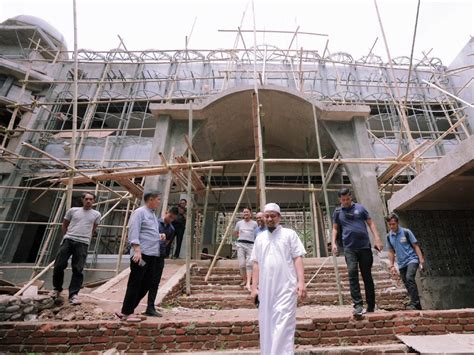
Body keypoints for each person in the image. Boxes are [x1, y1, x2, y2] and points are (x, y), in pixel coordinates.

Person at [251, 203, 306, 355]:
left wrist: (301, 283)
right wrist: (254, 287)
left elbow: (297, 258)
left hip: (286, 287)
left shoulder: (290, 234)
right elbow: (256, 263)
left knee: (284, 323)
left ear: (279, 217)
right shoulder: (260, 238)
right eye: (266, 216)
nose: (269, 219)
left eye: (273, 216)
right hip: (266, 290)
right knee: (266, 323)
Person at [331, 188, 383, 316]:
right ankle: (358, 305)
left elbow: (371, 223)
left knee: (367, 276)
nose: (346, 201)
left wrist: (377, 238)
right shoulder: (338, 212)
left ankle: (371, 305)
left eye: (347, 199)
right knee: (352, 274)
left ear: (351, 197)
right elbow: (335, 229)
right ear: (340, 200)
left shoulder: (360, 208)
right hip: (349, 248)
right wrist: (333, 243)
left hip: (364, 247)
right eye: (343, 200)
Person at [117, 191, 165, 321]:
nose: (159, 202)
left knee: (148, 282)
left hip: (151, 254)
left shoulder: (152, 214)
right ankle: (127, 311)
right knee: (136, 281)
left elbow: (148, 232)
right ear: (150, 199)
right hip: (141, 256)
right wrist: (137, 251)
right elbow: (134, 231)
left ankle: (128, 309)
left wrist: (159, 236)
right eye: (158, 199)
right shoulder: (140, 212)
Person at [52, 192, 101, 305]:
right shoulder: (73, 211)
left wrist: (86, 238)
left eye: (91, 199)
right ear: (82, 200)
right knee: (59, 264)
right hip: (68, 240)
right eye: (86, 199)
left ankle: (73, 294)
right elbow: (64, 224)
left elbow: (93, 228)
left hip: (83, 243)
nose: (88, 201)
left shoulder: (96, 214)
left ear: (94, 201)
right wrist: (66, 236)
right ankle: (57, 289)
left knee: (78, 269)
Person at [386, 213, 424, 310]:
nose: (391, 226)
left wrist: (421, 259)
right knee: (406, 282)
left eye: (393, 224)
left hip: (412, 259)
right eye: (390, 224)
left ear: (397, 223)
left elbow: (415, 245)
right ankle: (417, 305)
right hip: (401, 263)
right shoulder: (389, 236)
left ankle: (415, 303)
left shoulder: (406, 232)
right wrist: (391, 266)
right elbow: (391, 251)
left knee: (409, 277)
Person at [145, 206, 178, 317]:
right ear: (166, 213)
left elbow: (167, 242)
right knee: (144, 280)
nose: (170, 219)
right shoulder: (155, 223)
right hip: (149, 254)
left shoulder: (171, 229)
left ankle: (150, 307)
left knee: (155, 282)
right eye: (169, 216)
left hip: (160, 256)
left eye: (173, 218)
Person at [233, 207, 258, 292]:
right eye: (244, 212)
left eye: (247, 212)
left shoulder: (254, 223)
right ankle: (244, 279)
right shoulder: (239, 223)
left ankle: (248, 282)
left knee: (249, 263)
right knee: (242, 264)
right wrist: (241, 238)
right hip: (240, 244)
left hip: (251, 245)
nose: (245, 214)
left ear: (250, 214)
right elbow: (236, 233)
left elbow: (256, 234)